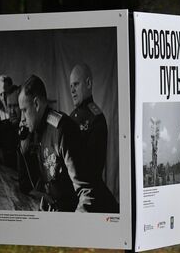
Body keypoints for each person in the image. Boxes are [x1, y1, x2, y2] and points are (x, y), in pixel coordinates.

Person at [17, 75, 97, 213]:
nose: (22, 118)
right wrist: (23, 146)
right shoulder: (36, 131)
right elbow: (27, 184)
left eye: (24, 110)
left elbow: (87, 192)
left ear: (36, 104)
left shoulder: (62, 130)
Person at [68, 63, 119, 213]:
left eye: (76, 84)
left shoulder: (97, 119)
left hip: (89, 193)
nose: (72, 90)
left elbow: (93, 170)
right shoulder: (71, 117)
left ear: (88, 83)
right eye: (70, 86)